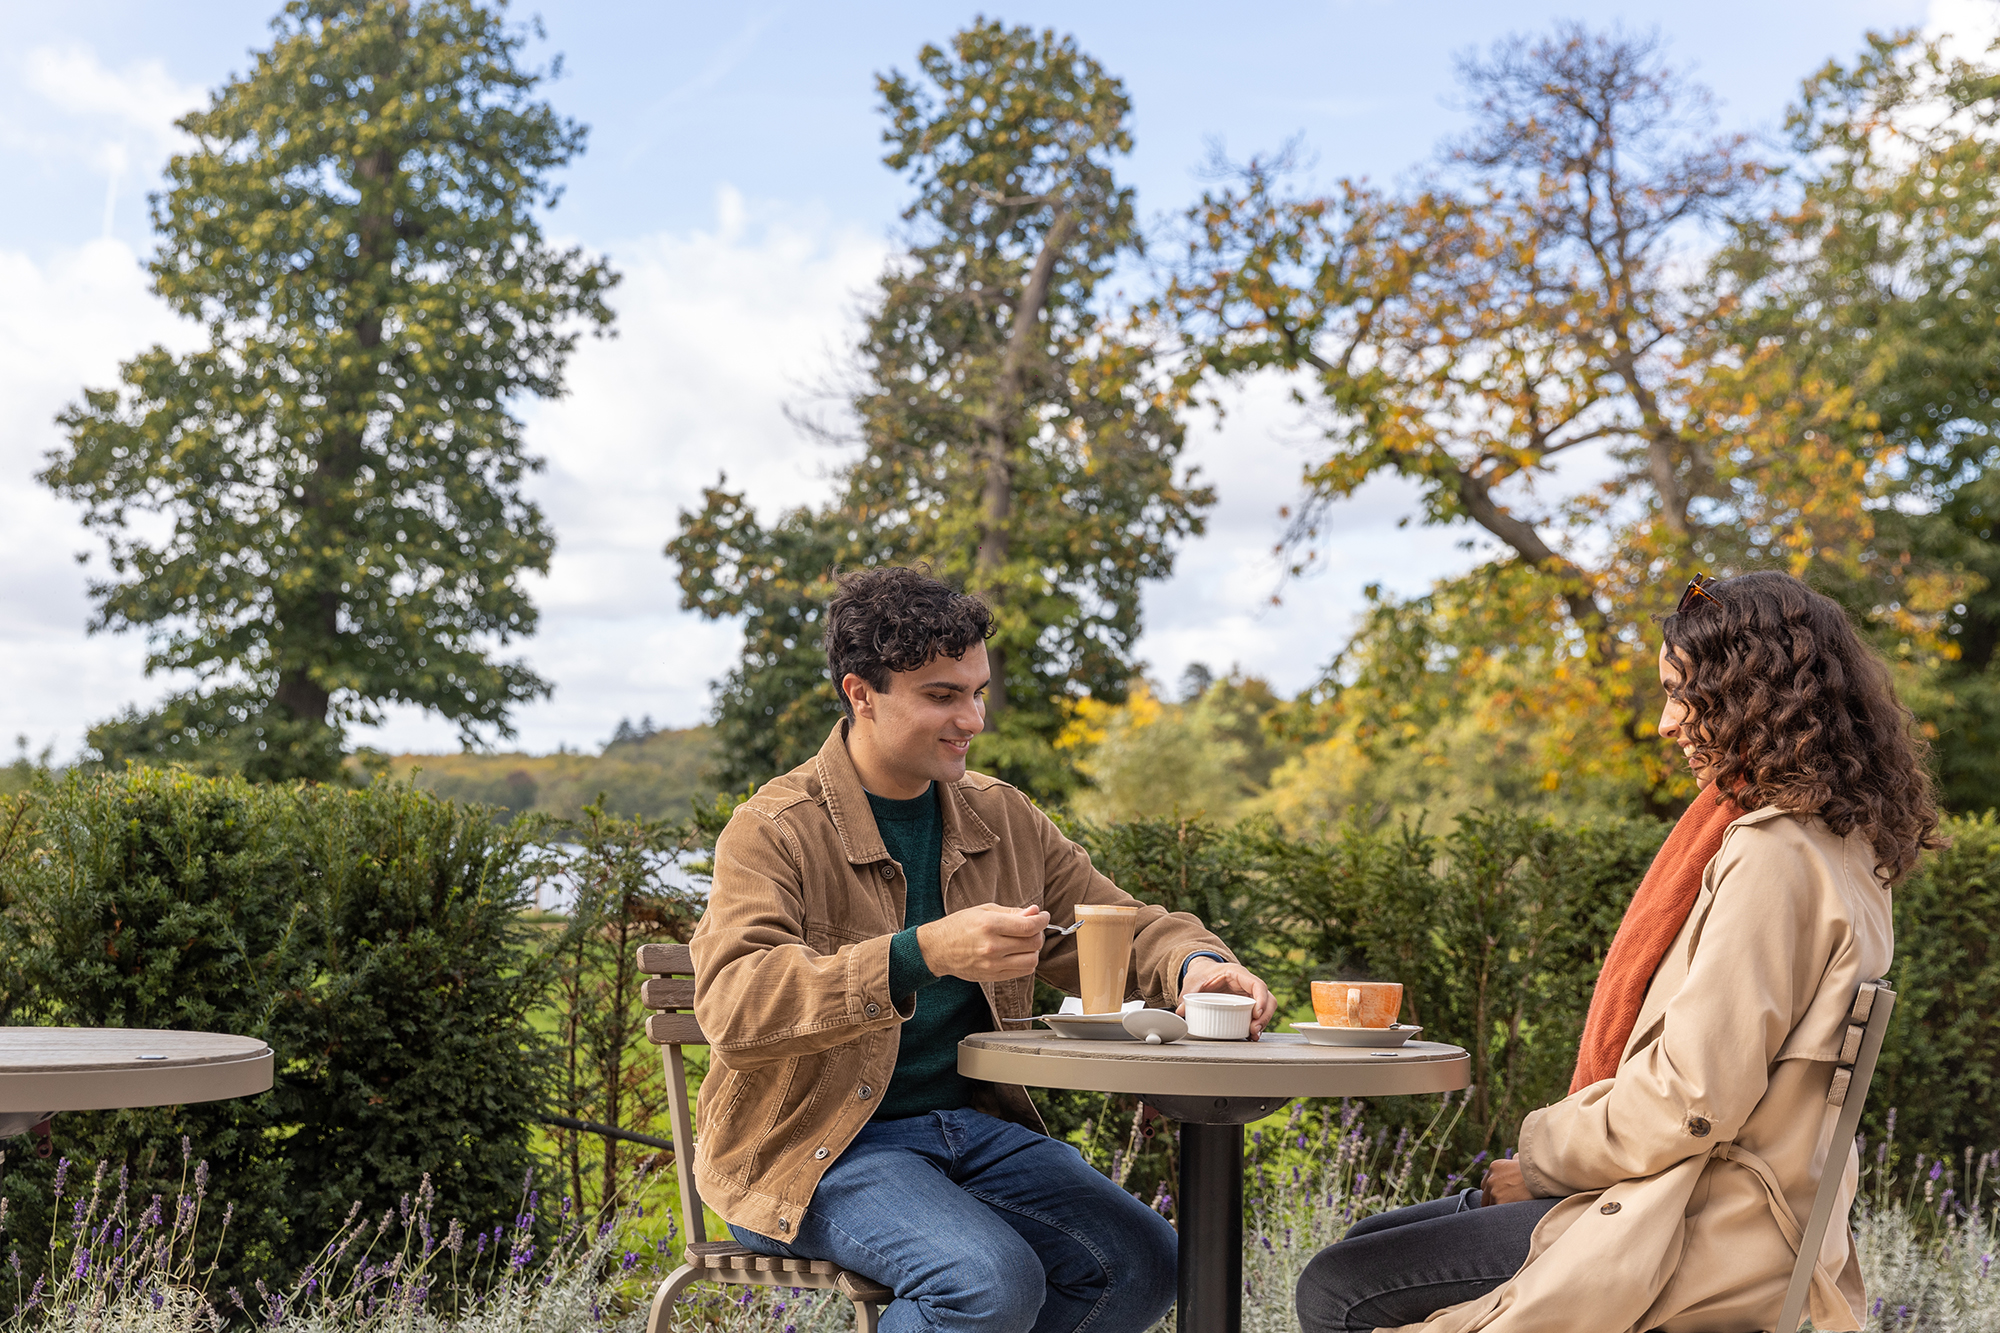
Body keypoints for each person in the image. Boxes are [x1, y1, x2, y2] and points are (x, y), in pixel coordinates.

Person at [1294, 570, 1939, 1333]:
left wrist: (1539, 1157)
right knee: (1371, 1242)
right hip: (1740, 1208)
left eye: (1680, 692)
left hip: (1701, 1228)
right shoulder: (1844, 845)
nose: (1667, 723)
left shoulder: (1773, 854)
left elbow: (1692, 1100)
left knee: (1340, 1285)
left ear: (1752, 696)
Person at [689, 565, 1276, 1333]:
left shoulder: (1002, 817)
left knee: (1146, 1261)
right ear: (861, 692)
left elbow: (1120, 924)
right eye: (942, 695)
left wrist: (1198, 965)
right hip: (812, 1151)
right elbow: (735, 1002)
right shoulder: (775, 828)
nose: (972, 718)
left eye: (978, 691)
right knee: (986, 1282)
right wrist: (920, 952)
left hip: (969, 1132)